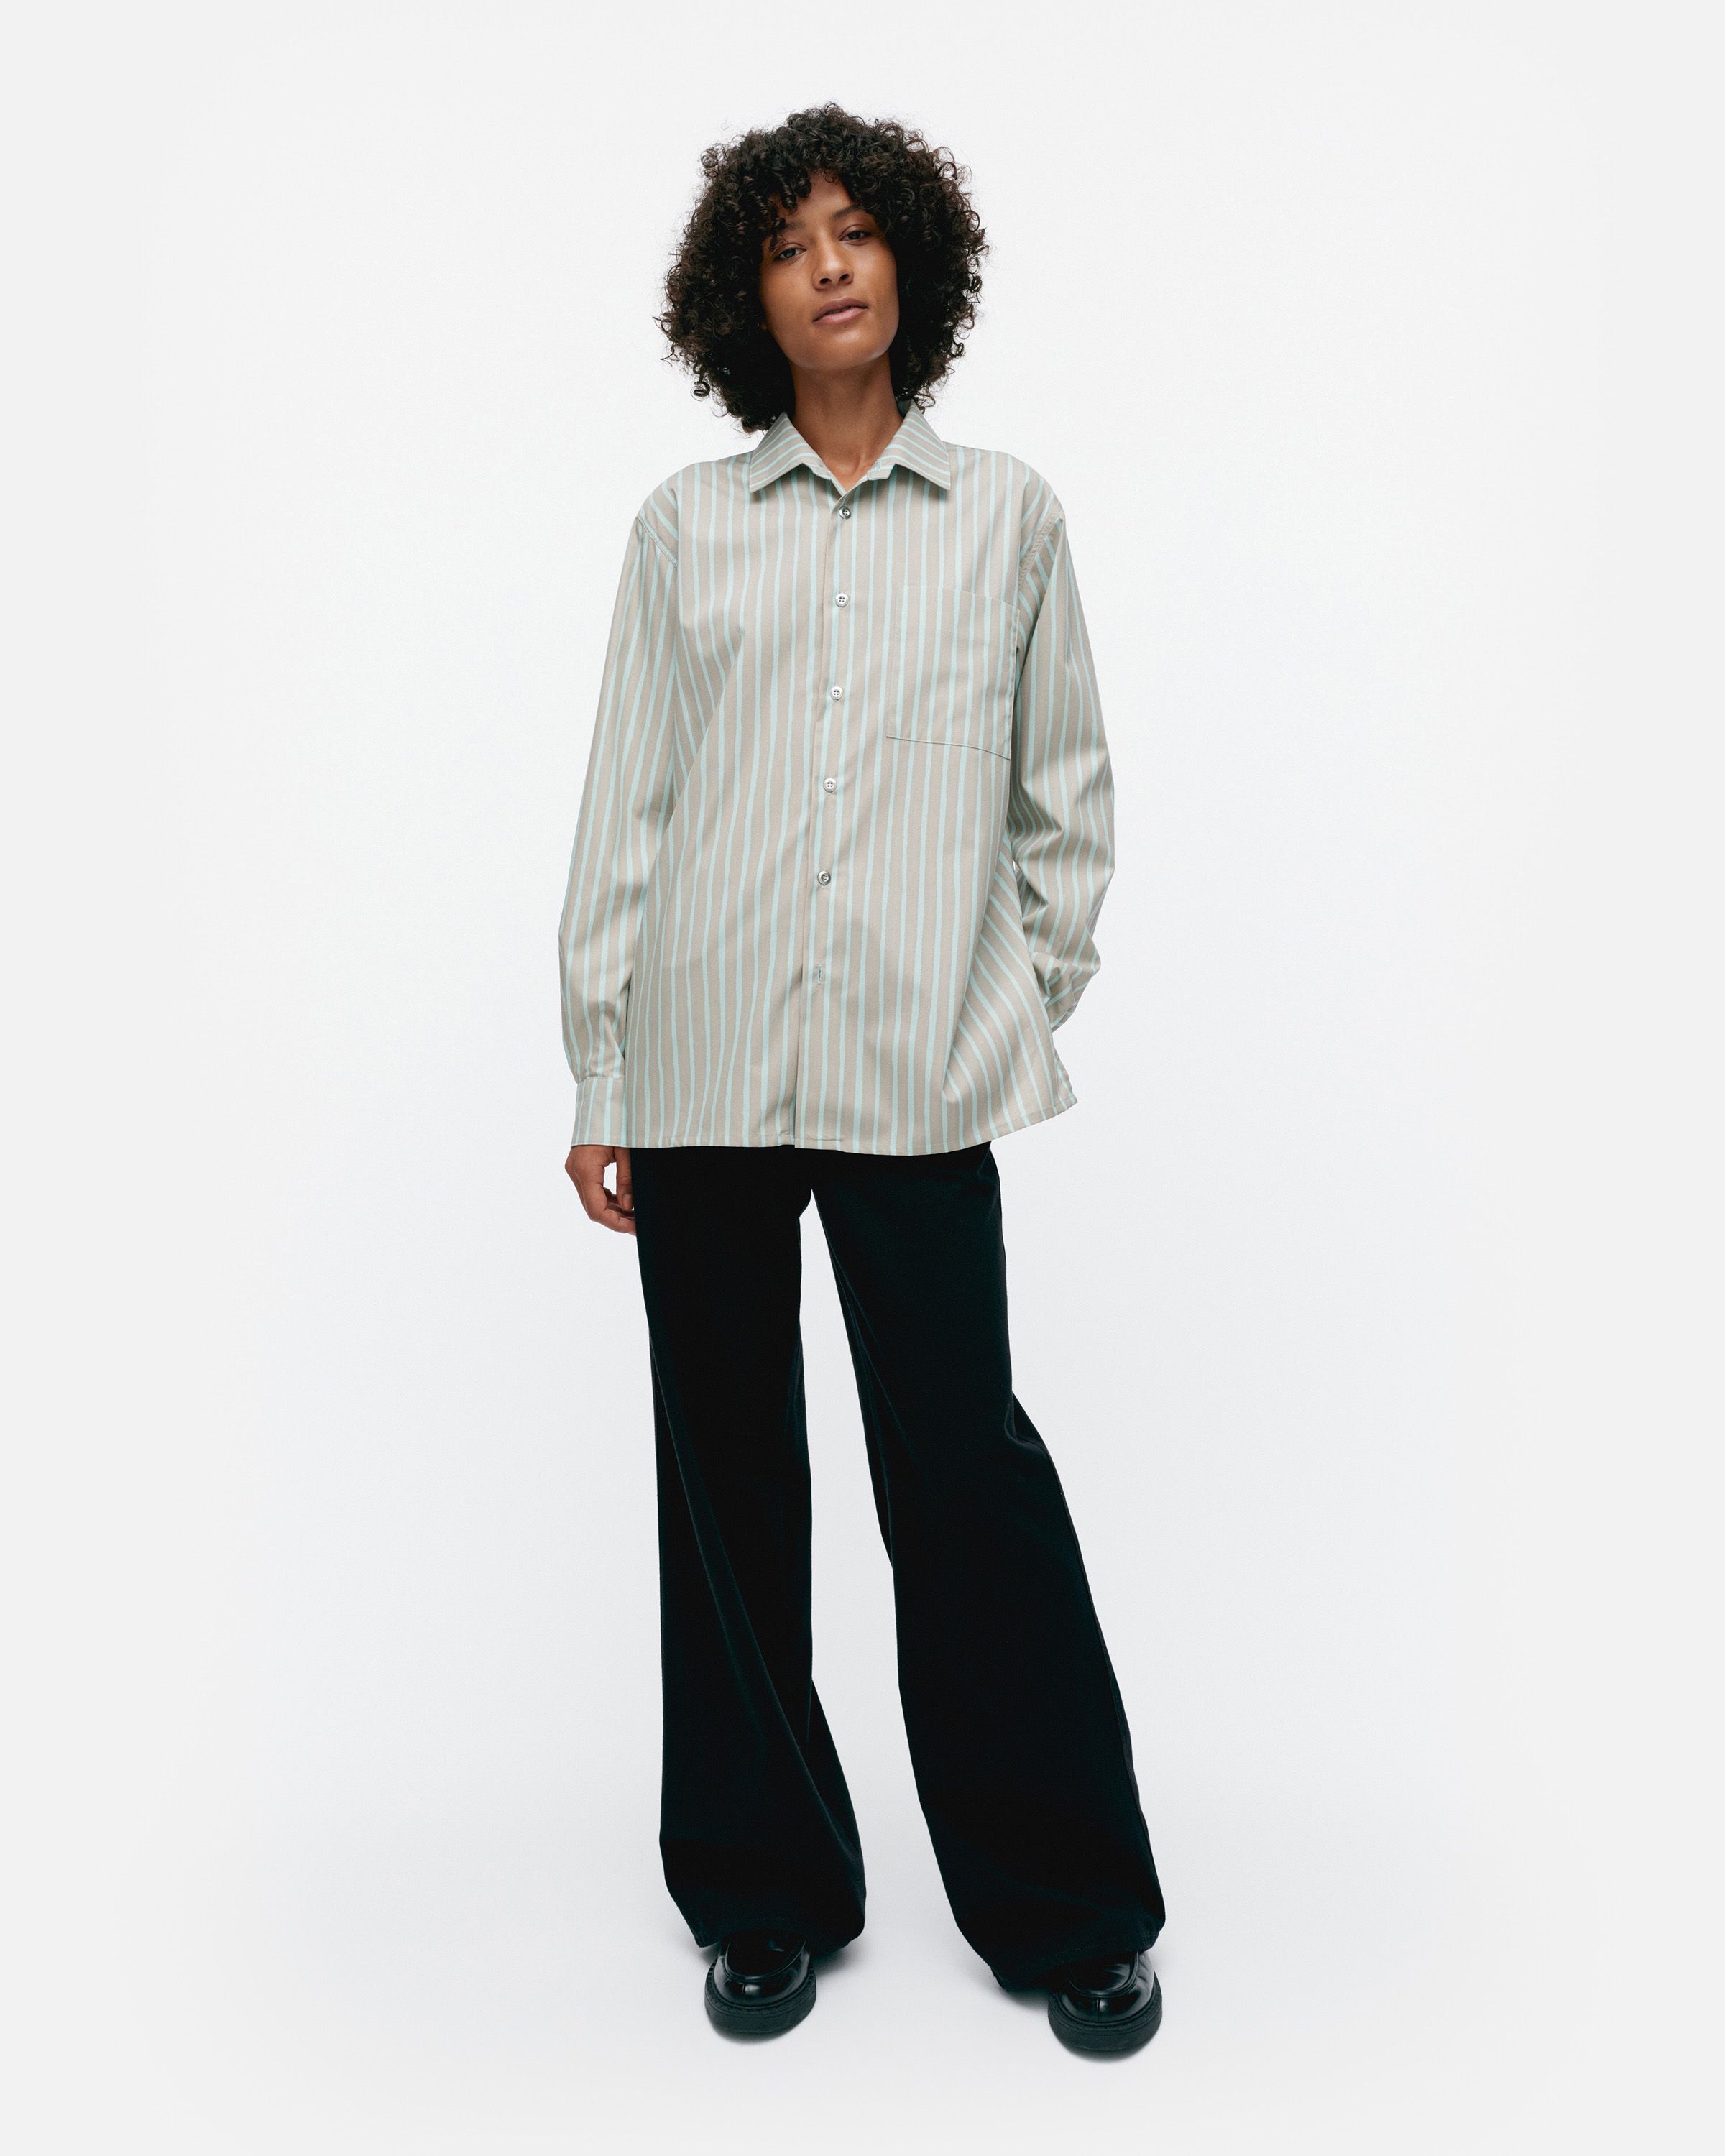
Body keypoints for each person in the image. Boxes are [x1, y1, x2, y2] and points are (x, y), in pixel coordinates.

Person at [557, 103, 1166, 2054]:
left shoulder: (1008, 517)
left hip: (920, 1073)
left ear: (913, 259)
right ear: (744, 300)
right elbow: (628, 809)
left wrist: (1013, 1006)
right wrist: (602, 1065)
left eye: (855, 231)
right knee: (726, 1481)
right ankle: (763, 1896)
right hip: (707, 1065)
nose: (828, 265)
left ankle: (1068, 1908)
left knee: (964, 1471)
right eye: (786, 244)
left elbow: (1064, 804)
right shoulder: (684, 529)